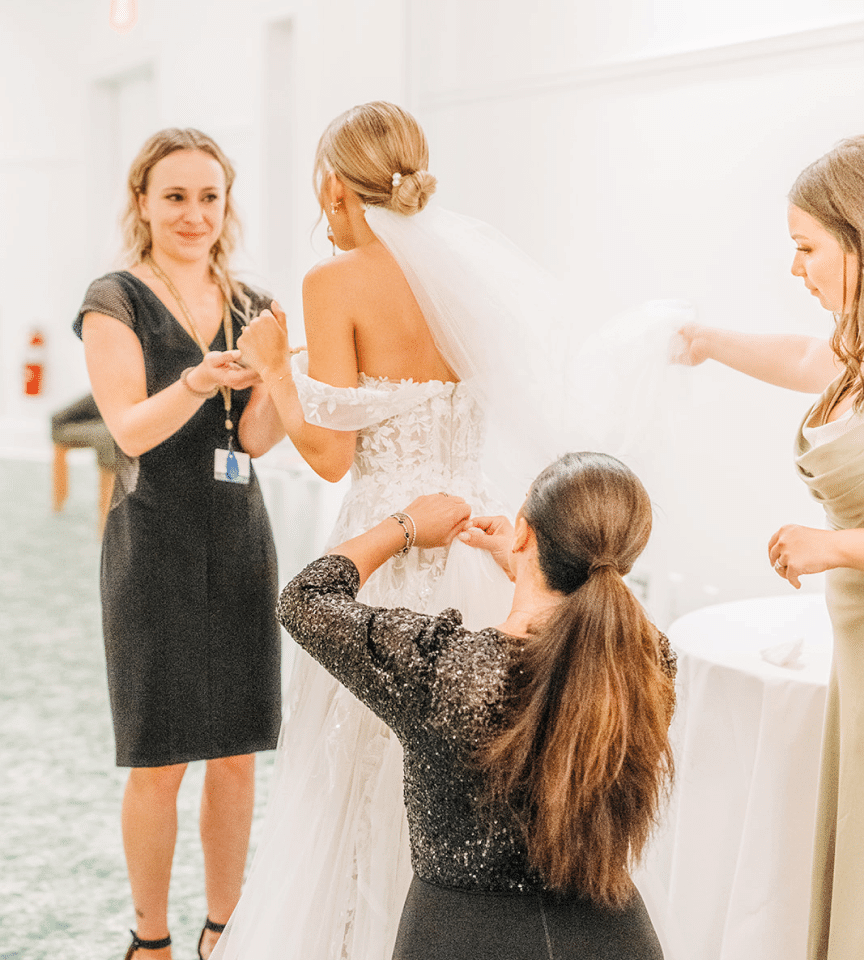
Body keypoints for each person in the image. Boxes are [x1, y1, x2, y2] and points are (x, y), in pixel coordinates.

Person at [211, 101, 566, 960]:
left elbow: (331, 456)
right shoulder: (467, 279)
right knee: (472, 759)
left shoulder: (336, 283)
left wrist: (269, 370)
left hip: (389, 543)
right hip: (478, 540)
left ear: (334, 186)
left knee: (359, 759)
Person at [277, 452, 676, 959]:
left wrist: (403, 527)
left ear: (524, 531)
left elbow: (305, 599)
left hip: (460, 939)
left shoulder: (443, 668)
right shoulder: (649, 666)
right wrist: (528, 566)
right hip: (614, 939)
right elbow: (600, 609)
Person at [74, 128, 286, 960]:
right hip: (153, 541)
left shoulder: (251, 300)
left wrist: (277, 375)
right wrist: (199, 378)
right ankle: (150, 938)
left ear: (226, 205)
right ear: (143, 202)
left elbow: (259, 438)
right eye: (175, 196)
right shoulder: (114, 298)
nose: (194, 213)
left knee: (236, 756)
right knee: (159, 760)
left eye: (209, 196)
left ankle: (222, 929)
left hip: (238, 538)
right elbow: (129, 431)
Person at [671, 134, 864, 960]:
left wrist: (839, 546)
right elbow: (799, 357)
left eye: (807, 248)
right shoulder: (850, 349)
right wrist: (706, 341)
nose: (797, 270)